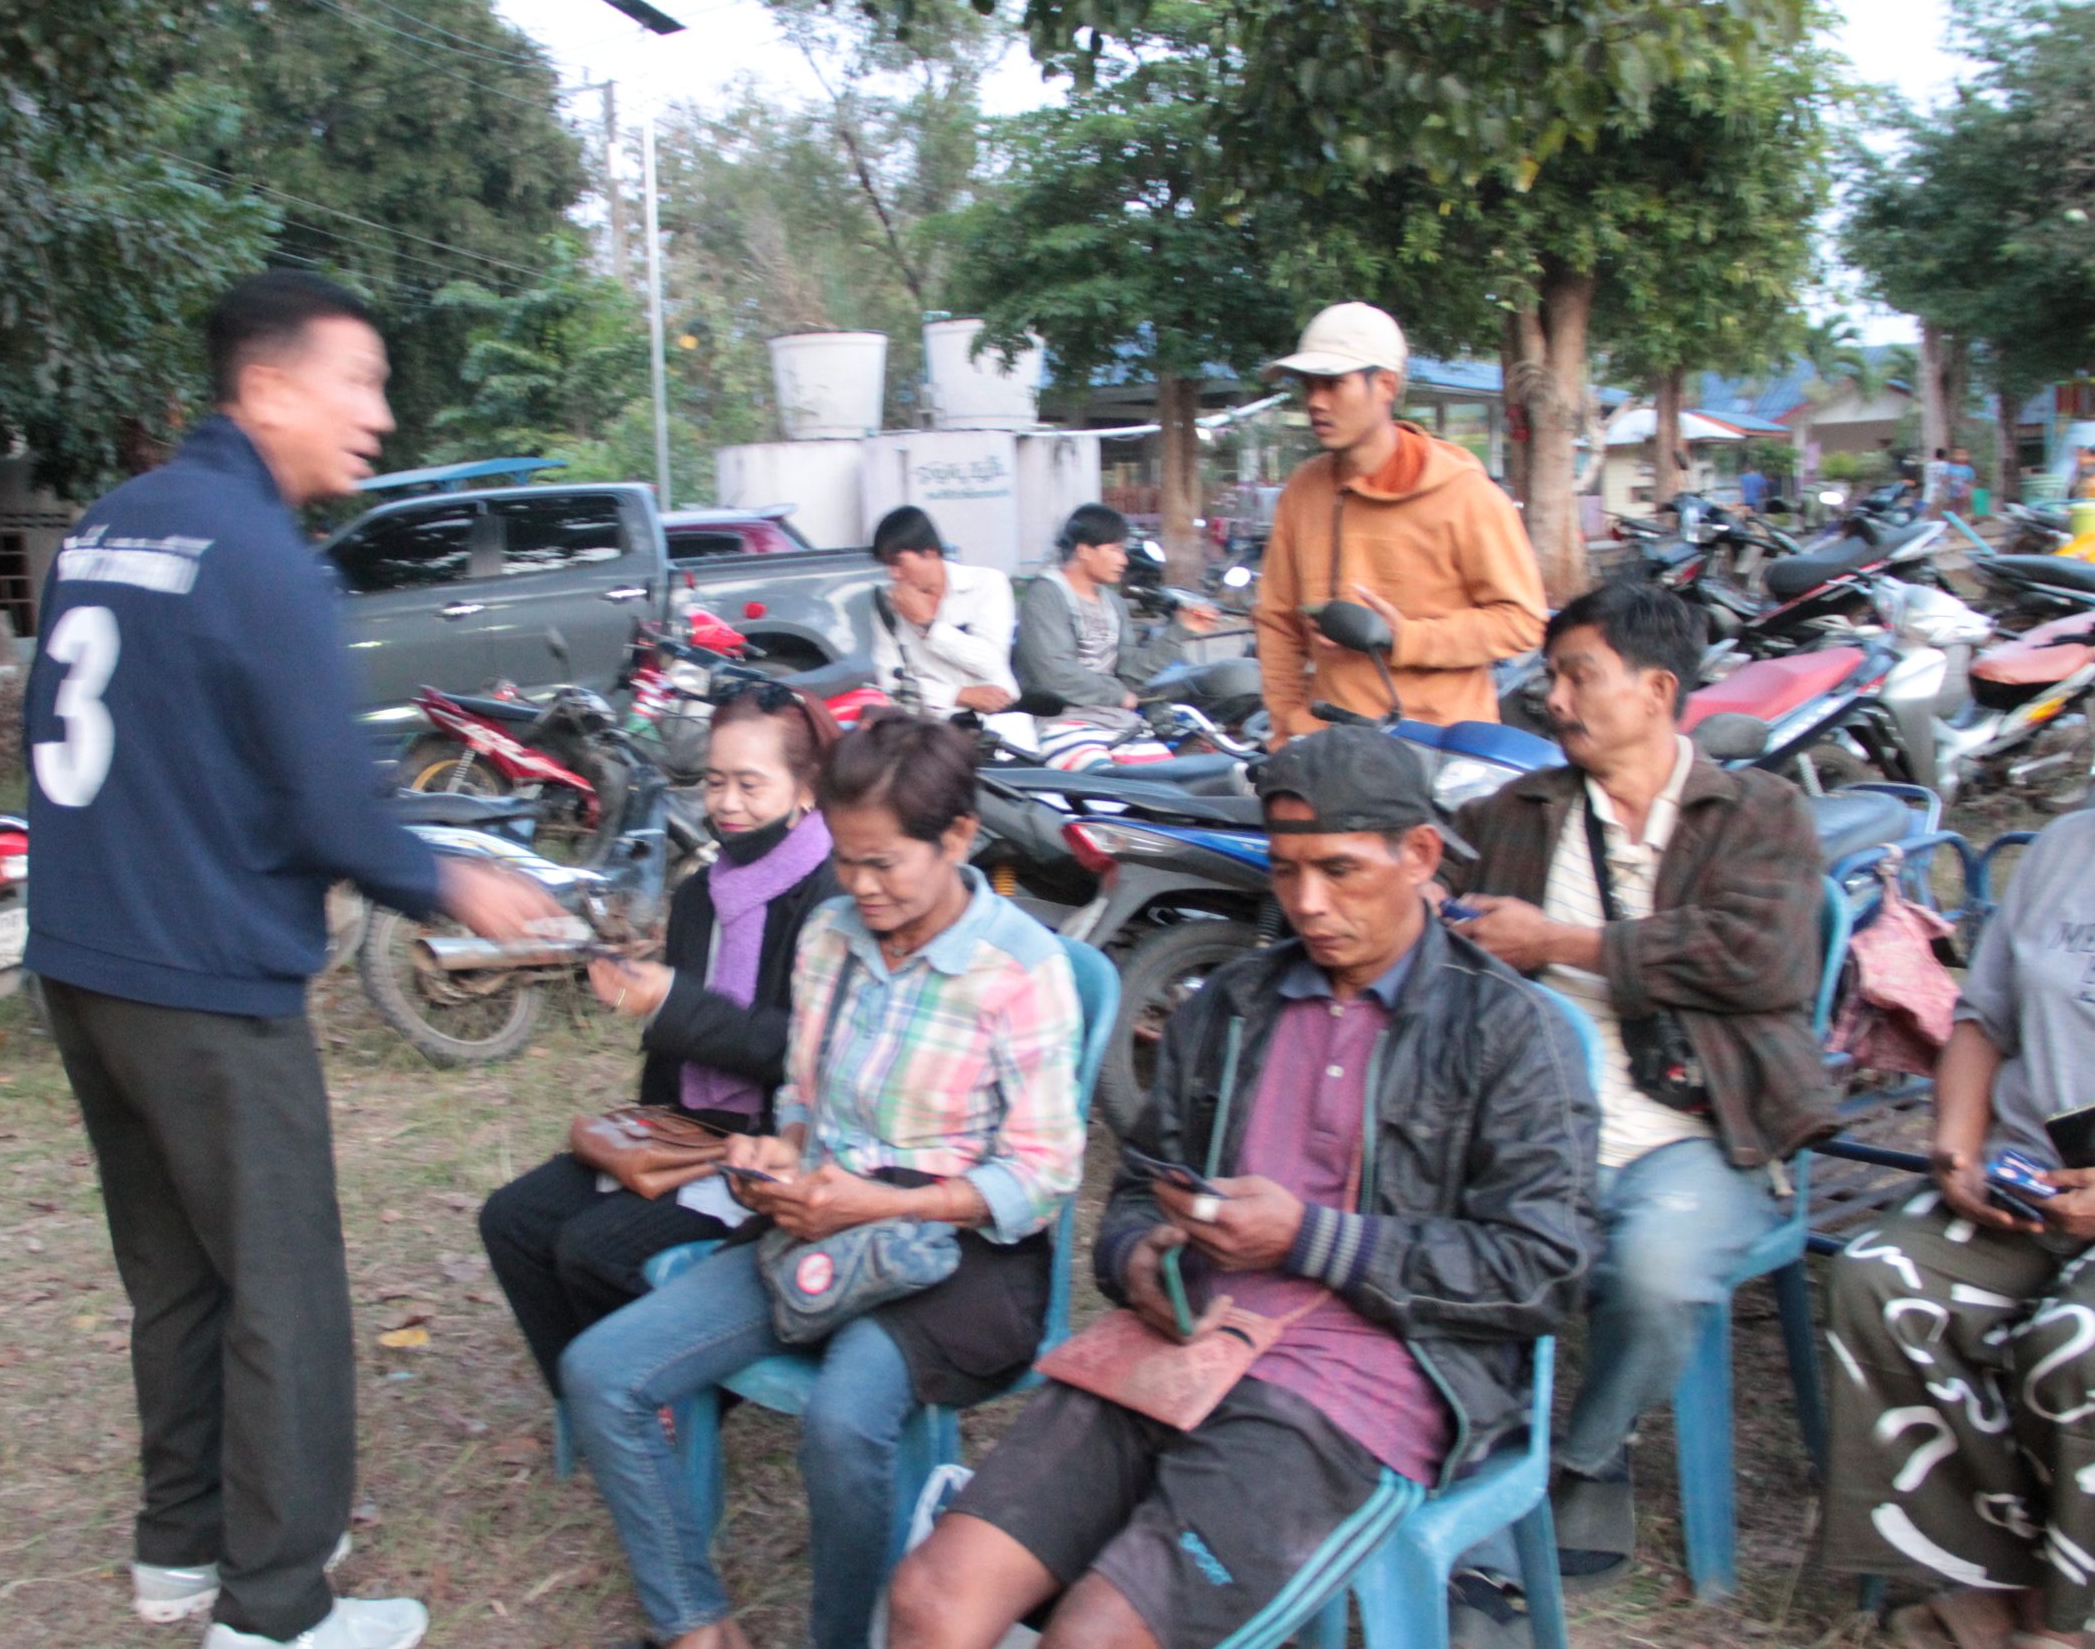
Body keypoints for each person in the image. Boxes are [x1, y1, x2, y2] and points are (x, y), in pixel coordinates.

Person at [22, 272, 560, 1649]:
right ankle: (275, 1611)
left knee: (176, 1275)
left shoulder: (112, 522)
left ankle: (180, 1545)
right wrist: (456, 883)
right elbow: (332, 809)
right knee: (285, 1292)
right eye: (357, 382)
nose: (379, 415)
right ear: (266, 388)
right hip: (203, 983)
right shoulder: (265, 559)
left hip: (86, 963)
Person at [886, 728, 1599, 1649]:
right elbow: (1141, 1186)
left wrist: (1311, 1238)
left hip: (1365, 1385)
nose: (1307, 902)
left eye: (1339, 870)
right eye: (1287, 870)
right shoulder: (1231, 1004)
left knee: (1094, 1638)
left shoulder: (1509, 1029)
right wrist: (1137, 1257)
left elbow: (1545, 1267)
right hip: (1178, 1347)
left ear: (1421, 854)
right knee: (930, 1599)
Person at [560, 713, 1086, 1649]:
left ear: (958, 837)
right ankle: (695, 1625)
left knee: (846, 1419)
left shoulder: (1019, 968)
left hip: (962, 1251)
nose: (861, 885)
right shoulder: (832, 934)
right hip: (822, 1220)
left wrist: (886, 1201)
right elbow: (801, 1093)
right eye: (846, 859)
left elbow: (1042, 1177)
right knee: (603, 1371)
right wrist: (785, 1149)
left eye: (885, 863)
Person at [1444, 582, 1831, 1630]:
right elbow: (1432, 894)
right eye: (1551, 677)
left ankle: (1586, 1451)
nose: (1555, 699)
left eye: (1579, 676)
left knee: (1655, 1269)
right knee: (1443, 1248)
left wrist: (1559, 945)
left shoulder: (1755, 811)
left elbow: (1762, 959)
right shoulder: (1517, 813)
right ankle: (1474, 1485)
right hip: (1543, 1127)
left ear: (1658, 690)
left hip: (1702, 1124)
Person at [1822, 635, 2095, 1649]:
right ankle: (1987, 1577)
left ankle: (2072, 1613)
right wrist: (1956, 1149)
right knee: (1879, 1277)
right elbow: (1983, 1019)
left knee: (2088, 1338)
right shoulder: (2072, 847)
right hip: (2030, 1185)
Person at [479, 686, 842, 1388]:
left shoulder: (832, 898)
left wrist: (672, 1002)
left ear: (805, 786)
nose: (727, 803)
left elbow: (804, 1052)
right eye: (714, 781)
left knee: (594, 1250)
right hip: (688, 1131)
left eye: (750, 785)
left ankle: (662, 1401)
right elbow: (676, 1052)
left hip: (775, 1144)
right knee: (512, 1219)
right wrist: (642, 1122)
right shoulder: (703, 892)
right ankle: (590, 1404)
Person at [1252, 302, 1548, 745]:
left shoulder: (1465, 494)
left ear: (1386, 385)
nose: (1315, 401)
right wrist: (1286, 724)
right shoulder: (1303, 490)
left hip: (1439, 753)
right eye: (1308, 385)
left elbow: (1522, 621)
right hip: (1332, 748)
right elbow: (1278, 621)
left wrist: (1405, 637)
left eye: (1333, 384)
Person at [1012, 502, 1219, 711]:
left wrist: (1181, 628)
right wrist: (1116, 695)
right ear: (1084, 550)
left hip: (1110, 715)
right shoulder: (1046, 595)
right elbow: (1054, 672)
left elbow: (1129, 671)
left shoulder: (1113, 603)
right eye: (1116, 549)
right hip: (1056, 716)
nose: (1124, 560)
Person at [867, 504, 1032, 748]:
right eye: (887, 565)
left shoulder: (987, 585)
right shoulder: (887, 605)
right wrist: (959, 695)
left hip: (998, 722)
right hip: (929, 731)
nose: (894, 575)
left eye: (898, 563)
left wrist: (928, 625)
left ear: (930, 553)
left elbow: (990, 661)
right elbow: (892, 685)